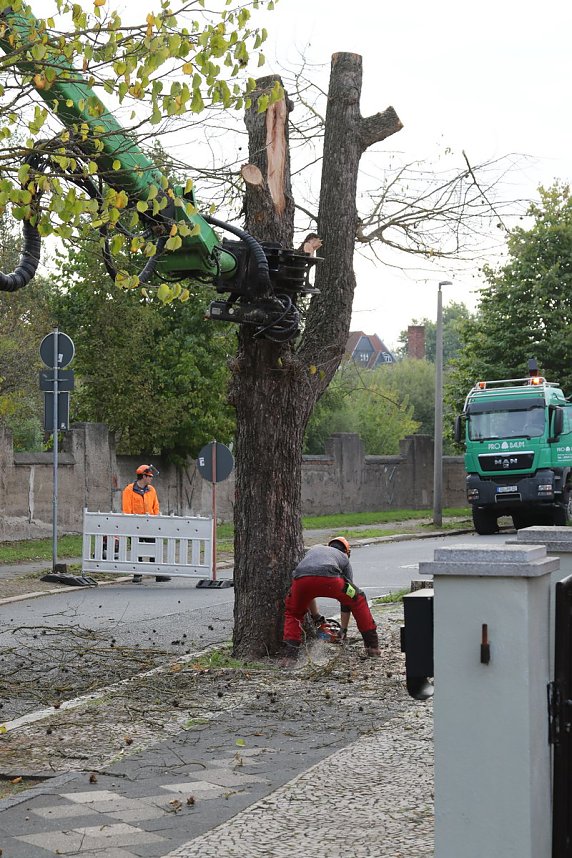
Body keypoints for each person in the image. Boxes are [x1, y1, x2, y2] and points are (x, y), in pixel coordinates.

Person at [281, 536, 381, 661]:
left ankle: (289, 656)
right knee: (358, 598)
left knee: (293, 613)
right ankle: (372, 646)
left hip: (301, 580)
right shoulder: (343, 557)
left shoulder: (315, 549)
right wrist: (343, 630)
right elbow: (347, 600)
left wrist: (317, 617)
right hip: (330, 579)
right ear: (347, 551)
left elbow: (309, 588)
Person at [122, 464, 171, 583]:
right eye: (149, 476)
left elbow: (156, 506)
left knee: (154, 548)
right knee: (136, 549)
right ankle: (137, 574)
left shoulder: (151, 490)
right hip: (135, 525)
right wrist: (130, 523)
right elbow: (126, 509)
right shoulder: (129, 490)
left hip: (150, 525)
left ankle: (157, 573)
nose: (151, 478)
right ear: (143, 476)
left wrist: (155, 520)